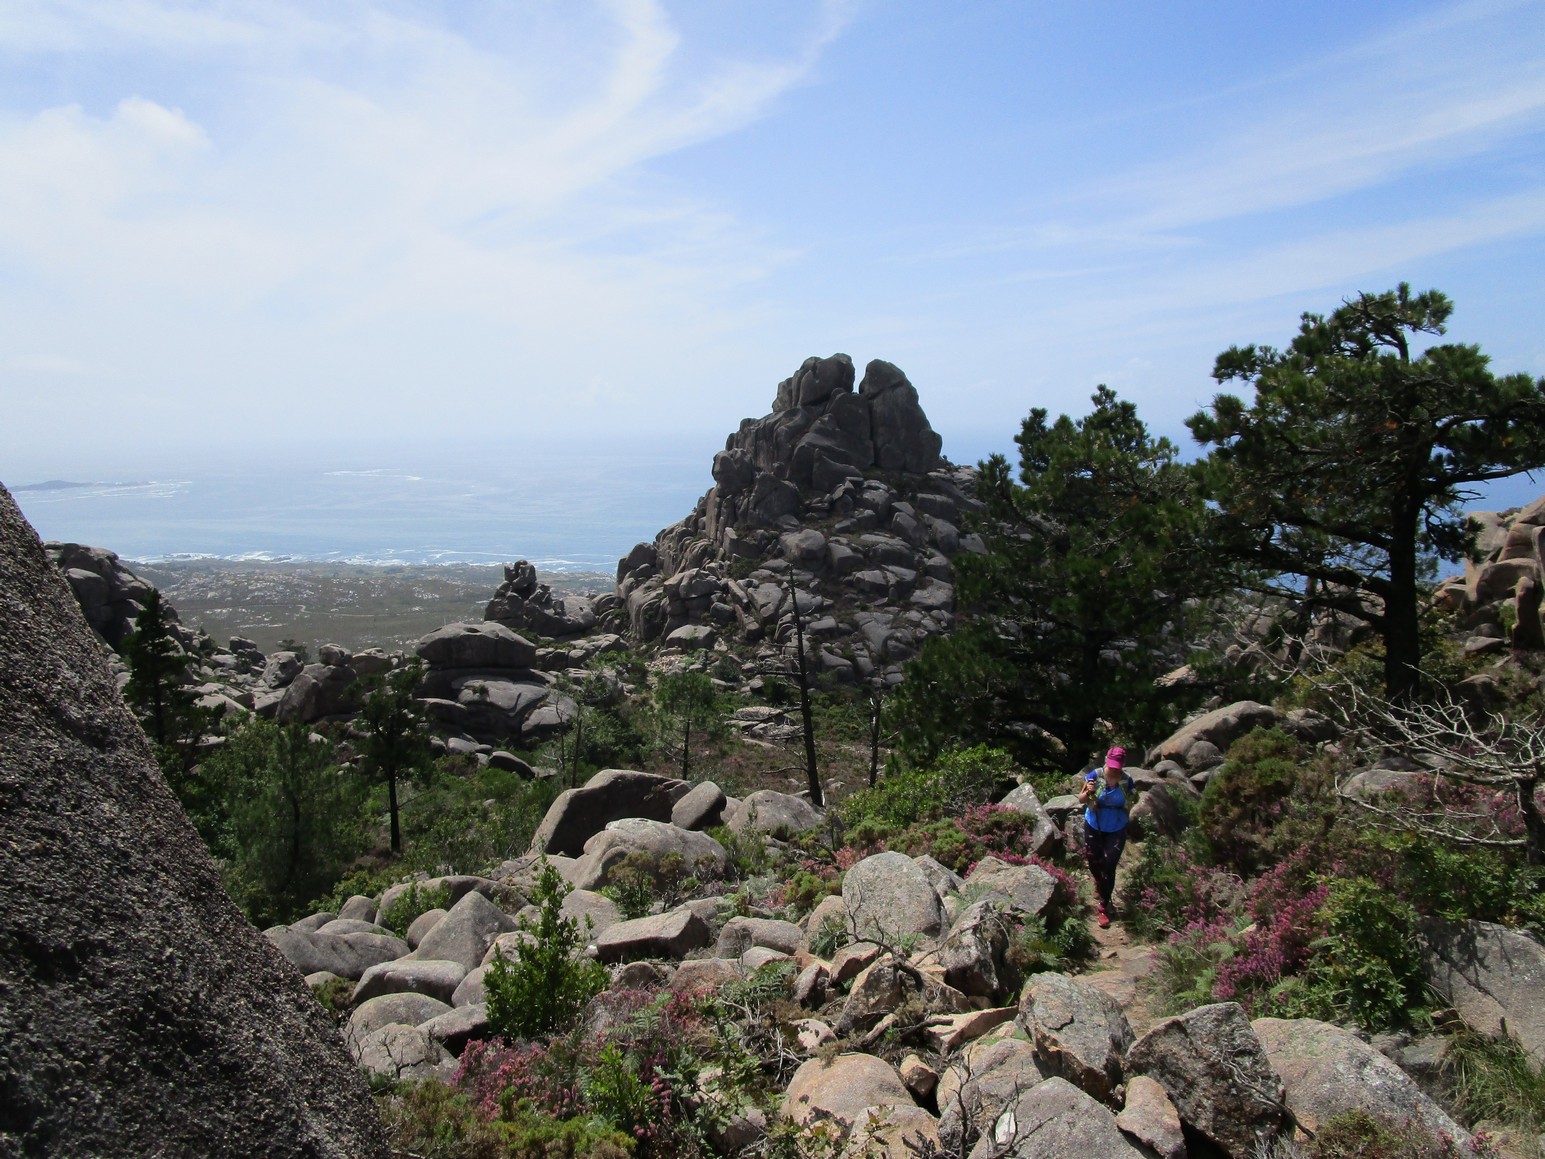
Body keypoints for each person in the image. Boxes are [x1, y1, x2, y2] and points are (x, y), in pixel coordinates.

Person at [1080, 745, 1135, 928]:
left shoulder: (1127, 781)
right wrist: (1088, 791)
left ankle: (1104, 905)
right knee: (1092, 859)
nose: (1114, 769)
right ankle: (1098, 880)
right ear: (1106, 760)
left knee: (1109, 865)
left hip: (1116, 826)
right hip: (1094, 823)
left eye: (1117, 766)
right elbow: (1081, 799)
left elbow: (1131, 801)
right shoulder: (1094, 775)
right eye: (1112, 765)